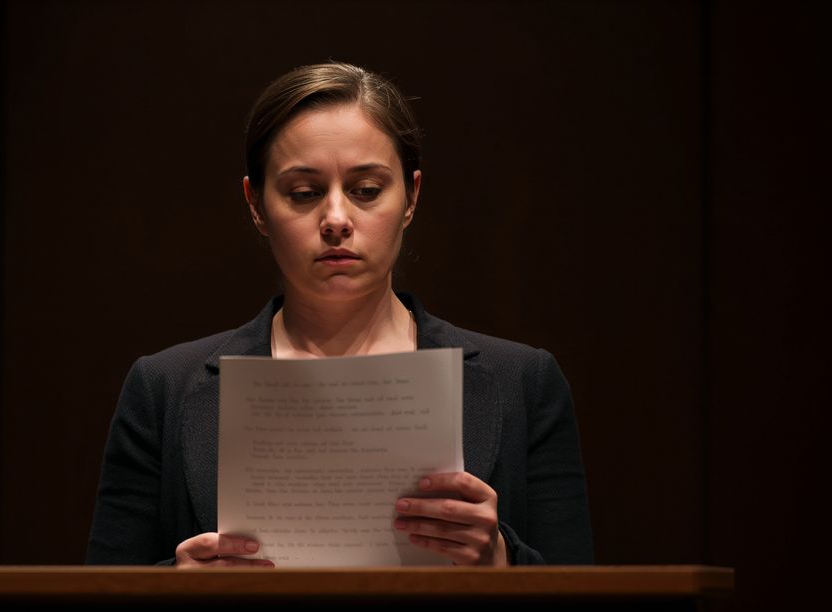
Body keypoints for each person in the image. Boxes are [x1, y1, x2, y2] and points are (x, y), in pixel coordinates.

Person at [86, 61, 593, 567]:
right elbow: (99, 593)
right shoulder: (162, 389)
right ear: (256, 205)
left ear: (411, 196)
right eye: (303, 193)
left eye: (366, 190)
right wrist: (173, 586)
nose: (335, 220)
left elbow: (582, 594)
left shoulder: (523, 381)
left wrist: (501, 560)